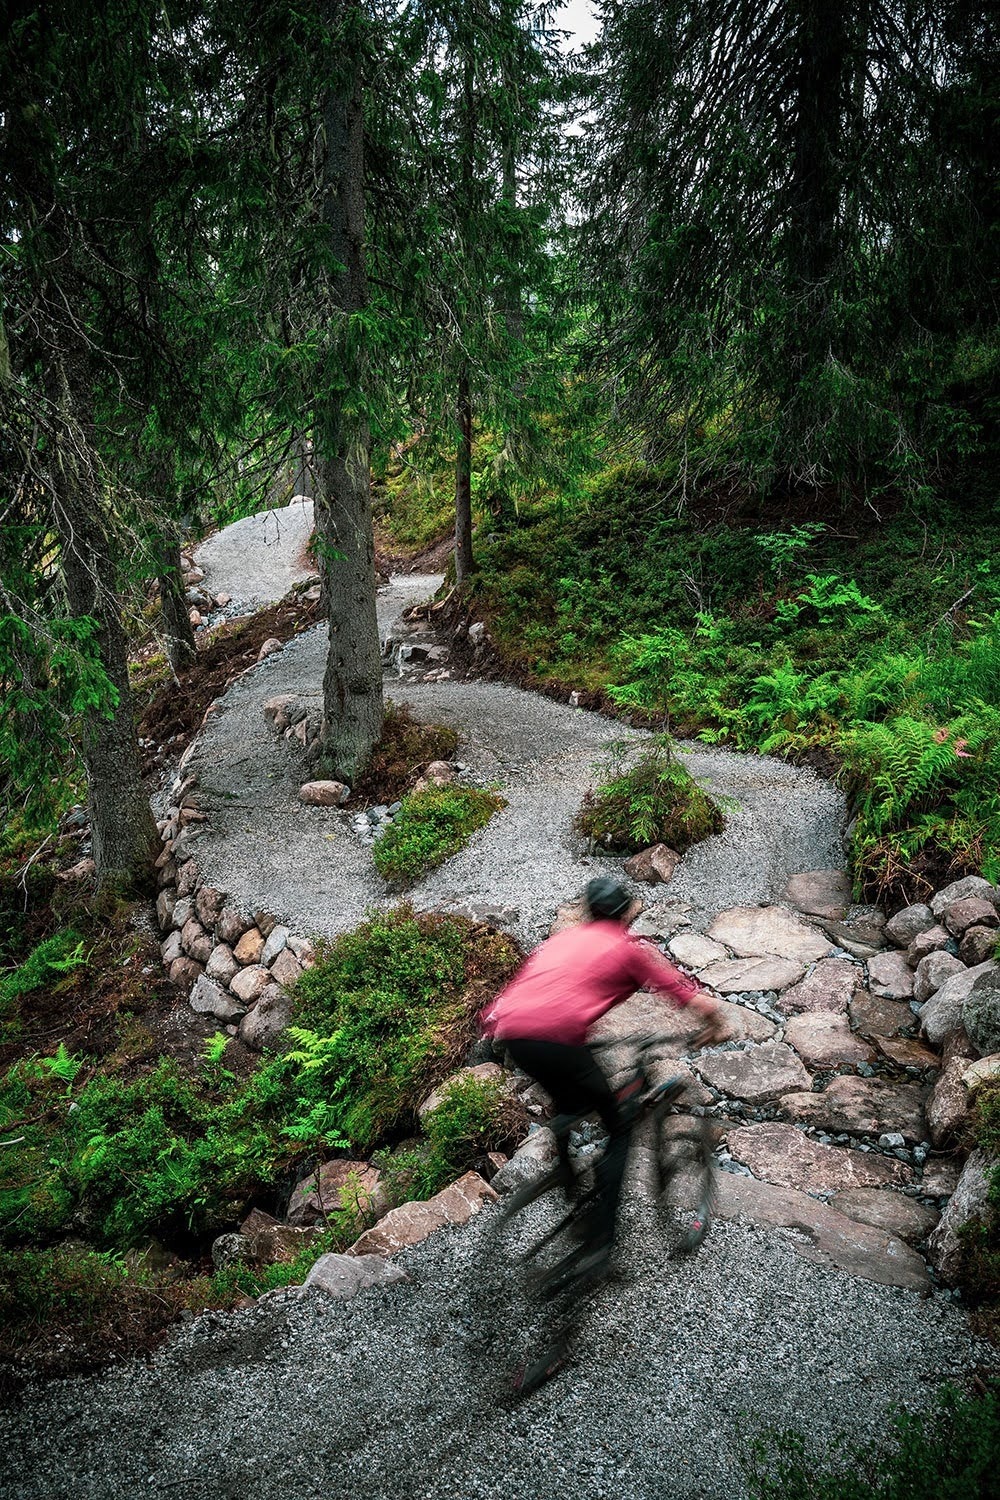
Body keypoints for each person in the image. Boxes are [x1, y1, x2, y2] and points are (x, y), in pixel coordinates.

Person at [481, 876, 726, 1277]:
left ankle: (567, 1176)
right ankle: (601, 1245)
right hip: (557, 1039)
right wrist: (714, 1022)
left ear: (588, 910)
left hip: (514, 1035)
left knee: (571, 1101)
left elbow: (544, 991)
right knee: (619, 1128)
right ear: (626, 913)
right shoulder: (625, 949)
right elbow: (681, 992)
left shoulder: (562, 941)